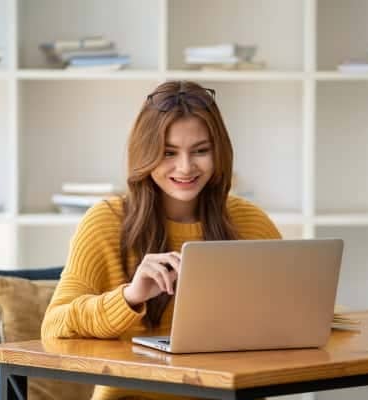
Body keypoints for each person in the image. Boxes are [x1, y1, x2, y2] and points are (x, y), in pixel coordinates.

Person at [41, 80, 282, 400]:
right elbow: (53, 326)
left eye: (201, 150)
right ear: (146, 152)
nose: (185, 167)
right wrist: (130, 296)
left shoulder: (248, 222)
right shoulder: (106, 222)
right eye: (168, 152)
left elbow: (300, 314)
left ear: (218, 152)